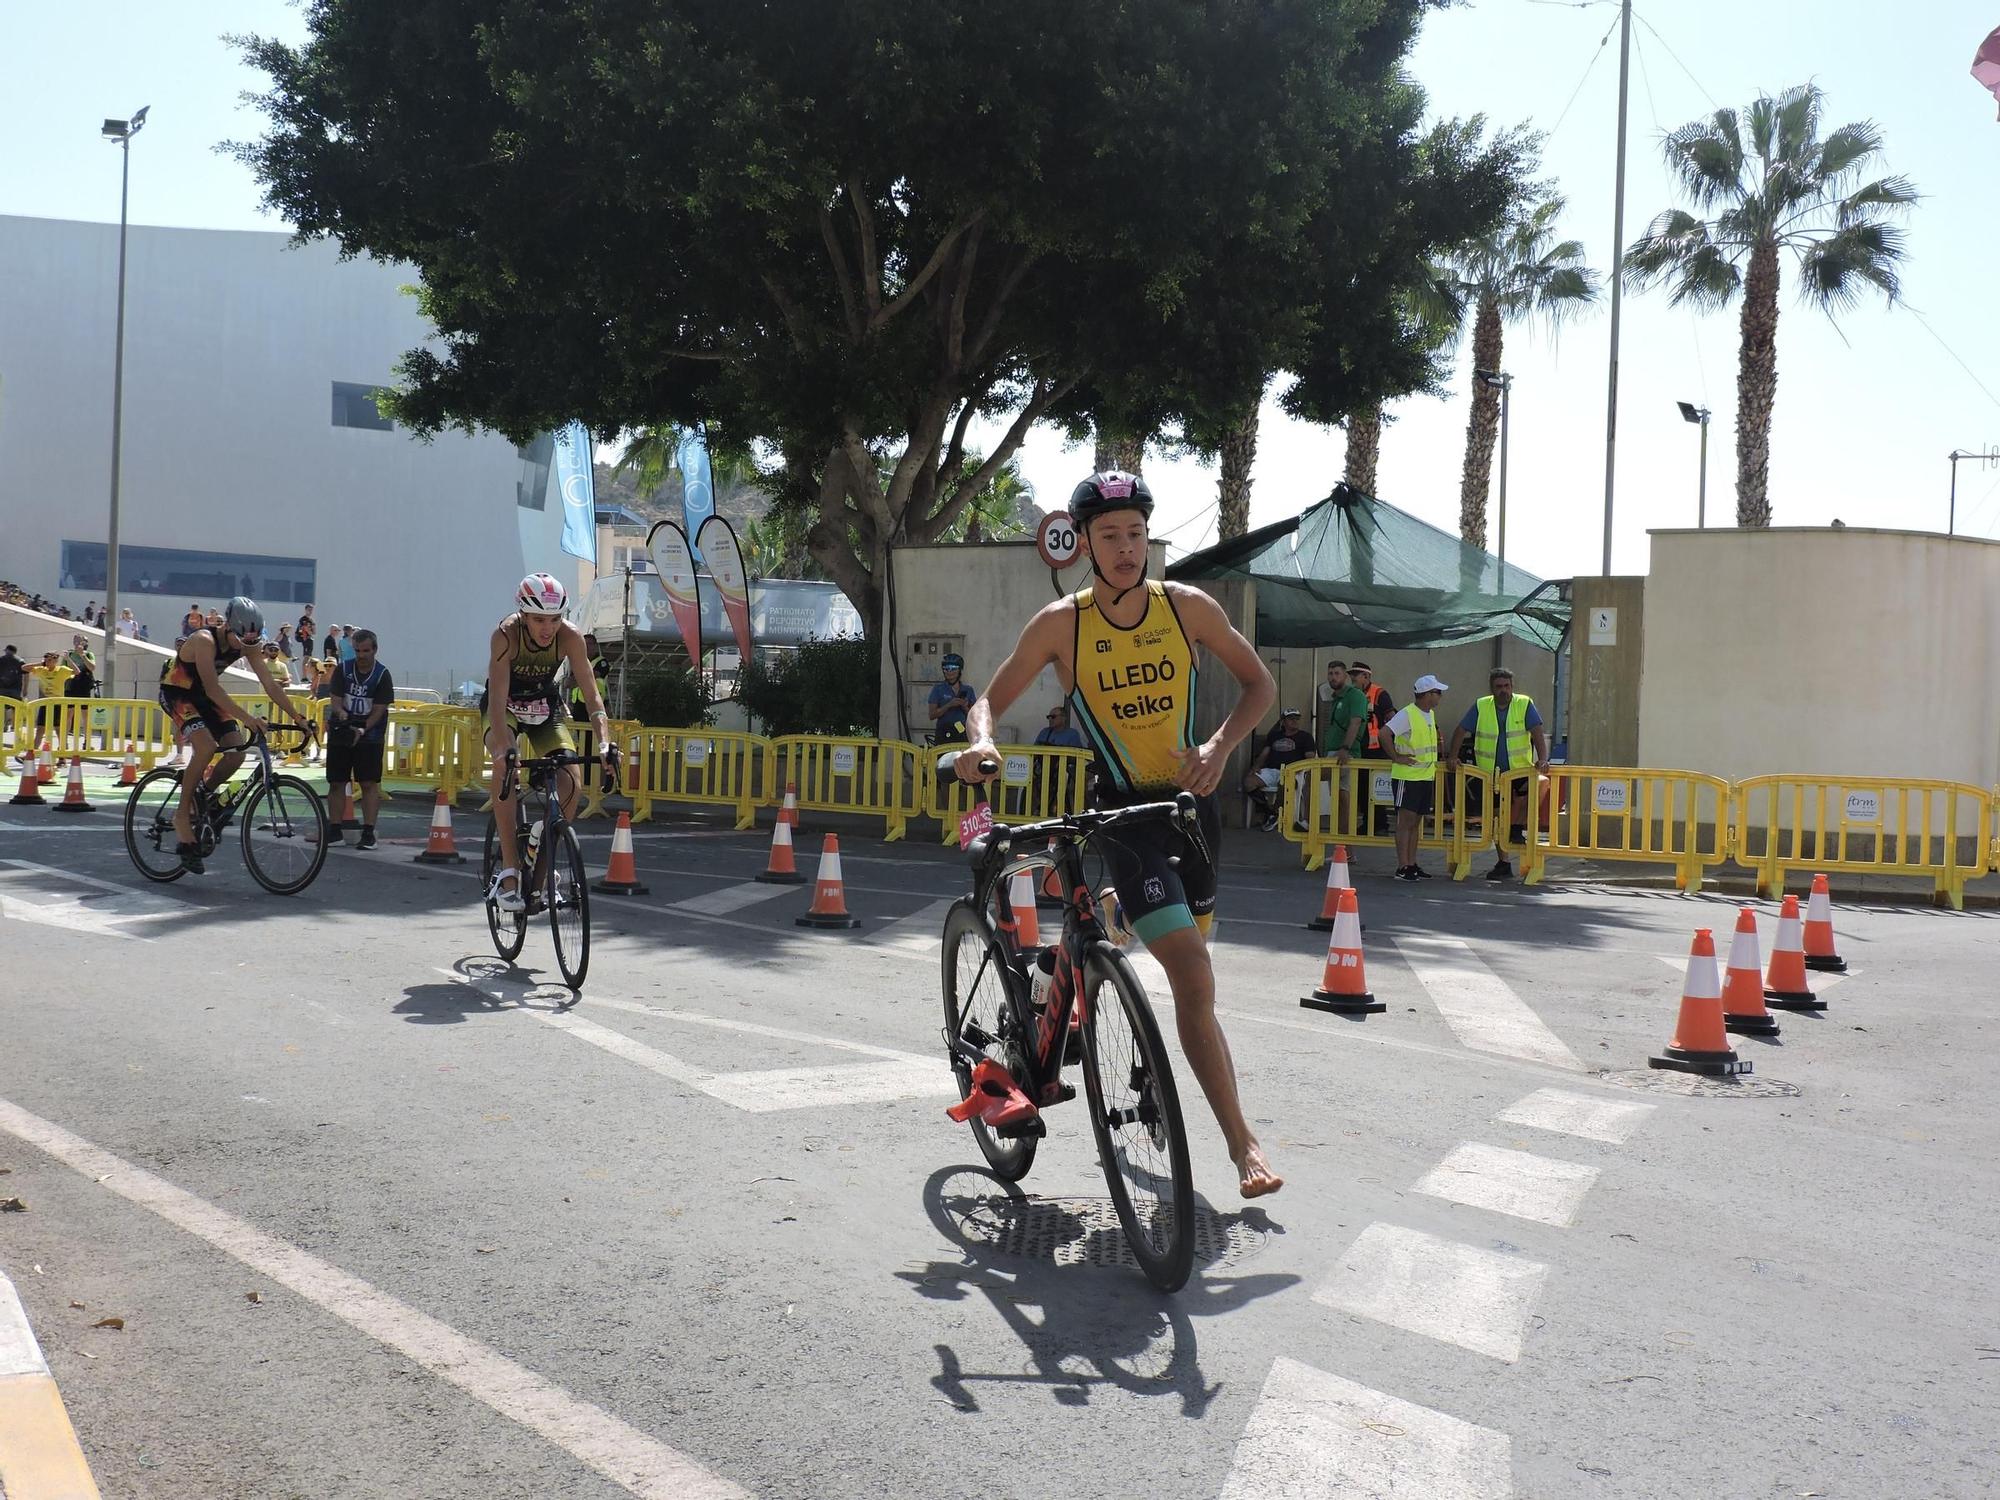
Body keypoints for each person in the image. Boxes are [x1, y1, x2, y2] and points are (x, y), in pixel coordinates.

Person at [955, 469, 1283, 1199]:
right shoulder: (1061, 624)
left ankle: (1077, 943)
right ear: (1087, 548)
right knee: (1194, 975)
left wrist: (1221, 748)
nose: (1128, 548)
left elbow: (1260, 686)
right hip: (1123, 815)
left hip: (1191, 815)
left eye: (1136, 534)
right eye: (1111, 537)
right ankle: (1243, 1144)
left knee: (1185, 965)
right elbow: (989, 701)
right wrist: (983, 745)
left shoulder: (1187, 608)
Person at [483, 574, 618, 912]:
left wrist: (604, 744)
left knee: (573, 781)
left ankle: (541, 878)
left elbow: (592, 697)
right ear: (524, 616)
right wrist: (505, 748)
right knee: (504, 765)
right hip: (505, 709)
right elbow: (497, 704)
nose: (548, 628)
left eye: (555, 619)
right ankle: (511, 872)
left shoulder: (570, 637)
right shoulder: (505, 636)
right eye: (539, 619)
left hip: (544, 707)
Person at [157, 597, 308, 873]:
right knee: (205, 748)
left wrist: (298, 717)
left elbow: (271, 686)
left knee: (236, 752)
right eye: (244, 641)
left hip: (203, 695)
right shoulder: (204, 640)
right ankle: (181, 815)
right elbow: (214, 690)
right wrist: (249, 719)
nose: (249, 647)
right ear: (228, 627)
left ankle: (203, 795)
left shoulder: (249, 643)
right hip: (178, 692)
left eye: (253, 642)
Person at [1447, 665, 1550, 881]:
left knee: (1538, 786)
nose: (1503, 690)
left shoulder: (1524, 703)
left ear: (1512, 687)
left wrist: (1542, 759)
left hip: (1519, 769)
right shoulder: (1481, 706)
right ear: (1492, 689)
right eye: (1499, 687)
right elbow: (1460, 730)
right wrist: (1452, 756)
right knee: (1496, 818)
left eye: (1507, 686)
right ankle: (1503, 862)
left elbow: (1537, 732)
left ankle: (1515, 827)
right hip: (1490, 774)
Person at [324, 629, 395, 849]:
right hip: (342, 732)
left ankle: (368, 832)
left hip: (369, 735)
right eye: (357, 651)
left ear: (374, 650)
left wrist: (363, 729)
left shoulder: (382, 675)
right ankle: (335, 830)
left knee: (368, 783)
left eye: (366, 651)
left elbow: (379, 709)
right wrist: (341, 714)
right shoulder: (343, 670)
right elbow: (335, 699)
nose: (361, 656)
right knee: (336, 782)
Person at [1382, 674, 1447, 881]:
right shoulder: (1407, 714)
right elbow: (1384, 734)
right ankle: (1403, 866)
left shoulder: (1428, 714)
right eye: (1437, 693)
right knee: (1405, 822)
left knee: (1416, 822)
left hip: (1424, 775)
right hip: (1407, 776)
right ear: (1427, 694)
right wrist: (1396, 757)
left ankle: (1412, 863)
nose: (1440, 696)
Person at [1317, 659, 1370, 833]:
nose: (1333, 677)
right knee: (1341, 800)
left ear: (1345, 676)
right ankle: (1346, 849)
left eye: (1337, 673)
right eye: (1330, 673)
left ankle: (1307, 827)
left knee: (1312, 779)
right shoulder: (1335, 698)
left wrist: (1345, 749)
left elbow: (1355, 722)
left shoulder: (1354, 696)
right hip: (1335, 753)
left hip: (1345, 754)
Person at [1240, 707, 1313, 832]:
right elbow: (1264, 754)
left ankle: (1274, 813)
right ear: (1283, 722)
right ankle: (1271, 813)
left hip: (1293, 772)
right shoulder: (1274, 736)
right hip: (1272, 770)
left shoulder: (1305, 737)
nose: (1294, 721)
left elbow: (1310, 759)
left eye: (1297, 719)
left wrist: (1299, 770)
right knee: (1248, 782)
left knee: (1284, 782)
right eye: (1291, 719)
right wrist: (1256, 767)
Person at [928, 653, 975, 744]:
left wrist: (965, 707)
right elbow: (932, 715)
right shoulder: (938, 689)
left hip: (962, 732)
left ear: (959, 670)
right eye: (946, 669)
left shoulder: (968, 690)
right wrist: (949, 705)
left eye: (953, 668)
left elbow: (974, 717)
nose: (949, 672)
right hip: (944, 732)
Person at [568, 633, 610, 721]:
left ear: (595, 646)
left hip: (594, 702)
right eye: (584, 644)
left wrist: (578, 677)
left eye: (590, 644)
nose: (587, 646)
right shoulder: (577, 661)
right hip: (578, 703)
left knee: (591, 732)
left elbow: (592, 675)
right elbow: (568, 683)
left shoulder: (601, 661)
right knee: (579, 731)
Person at [0, 645, 23, 738]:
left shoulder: (1, 659)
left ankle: (3, 726)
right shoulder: (20, 661)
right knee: (16, 707)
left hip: (3, 688)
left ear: (9, 650)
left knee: (3, 707)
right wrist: (25, 688)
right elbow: (26, 675)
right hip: (16, 688)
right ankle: (14, 726)